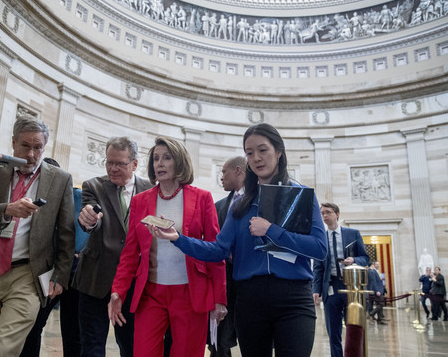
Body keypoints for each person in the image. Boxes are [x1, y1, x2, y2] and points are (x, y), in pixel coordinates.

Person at [150, 125, 327, 357]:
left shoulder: (302, 195)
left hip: (294, 299)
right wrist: (178, 239)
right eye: (249, 153)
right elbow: (218, 250)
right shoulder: (241, 203)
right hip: (250, 300)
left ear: (279, 152)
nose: (256, 158)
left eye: (263, 150)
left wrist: (271, 230)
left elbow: (319, 248)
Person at [0, 115, 75, 356]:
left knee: (2, 347)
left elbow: (67, 233)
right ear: (14, 142)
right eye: (25, 146)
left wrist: (60, 275)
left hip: (29, 274)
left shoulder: (61, 180)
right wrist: (6, 209)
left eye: (38, 147)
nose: (31, 154)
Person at [109, 136, 227, 357]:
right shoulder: (140, 201)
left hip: (190, 292)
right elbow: (130, 254)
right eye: (155, 159)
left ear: (179, 161)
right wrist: (118, 291)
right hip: (151, 292)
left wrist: (220, 298)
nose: (159, 163)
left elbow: (215, 251)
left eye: (166, 158)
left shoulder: (202, 198)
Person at [73, 136, 152, 357]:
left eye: (120, 163)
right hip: (95, 279)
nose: (113, 168)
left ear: (135, 164)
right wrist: (89, 220)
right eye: (109, 162)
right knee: (91, 346)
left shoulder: (151, 190)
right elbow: (90, 215)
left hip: (133, 283)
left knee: (131, 346)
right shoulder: (93, 186)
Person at [21, 186, 87, 357]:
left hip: (64, 272)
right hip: (55, 271)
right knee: (37, 325)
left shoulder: (76, 195)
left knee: (68, 329)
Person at [313, 202, 369, 357]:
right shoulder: (321, 237)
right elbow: (318, 267)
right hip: (331, 287)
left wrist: (354, 260)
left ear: (337, 214)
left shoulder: (353, 233)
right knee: (333, 330)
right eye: (322, 213)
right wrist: (315, 290)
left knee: (355, 328)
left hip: (351, 285)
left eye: (328, 212)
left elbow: (366, 258)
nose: (324, 216)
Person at [209, 156, 245, 357]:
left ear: (238, 170)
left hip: (252, 286)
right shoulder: (219, 206)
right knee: (218, 343)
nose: (221, 177)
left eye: (224, 172)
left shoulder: (261, 200)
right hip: (224, 284)